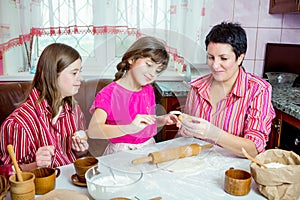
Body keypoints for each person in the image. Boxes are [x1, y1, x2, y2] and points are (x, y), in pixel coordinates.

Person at [178, 22, 276, 157]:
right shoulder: (197, 87)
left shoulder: (258, 90)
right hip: (198, 167)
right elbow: (184, 136)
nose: (215, 65)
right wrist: (183, 131)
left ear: (240, 57)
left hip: (235, 172)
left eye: (223, 58)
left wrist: (214, 134)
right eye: (211, 57)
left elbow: (254, 149)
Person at [0, 43, 89, 172]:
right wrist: (35, 165)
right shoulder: (18, 123)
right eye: (74, 73)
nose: (80, 78)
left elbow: (77, 158)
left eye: (80, 72)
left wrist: (81, 151)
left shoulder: (74, 111)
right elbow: (6, 175)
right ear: (53, 75)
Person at [88, 36, 178, 155]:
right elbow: (93, 131)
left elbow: (143, 124)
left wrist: (162, 120)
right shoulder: (108, 93)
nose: (152, 74)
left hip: (148, 148)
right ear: (131, 59)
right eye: (149, 65)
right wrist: (129, 128)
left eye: (157, 70)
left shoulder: (148, 90)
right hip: (121, 152)